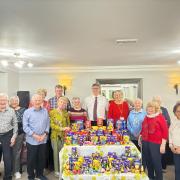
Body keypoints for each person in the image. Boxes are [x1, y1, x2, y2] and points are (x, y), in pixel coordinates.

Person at [139, 101, 168, 180]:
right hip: (145, 142)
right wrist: (140, 136)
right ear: (147, 108)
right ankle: (151, 177)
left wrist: (163, 144)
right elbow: (143, 128)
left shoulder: (160, 117)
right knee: (148, 162)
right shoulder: (146, 117)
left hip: (156, 144)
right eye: (149, 107)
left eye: (152, 107)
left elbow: (165, 131)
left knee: (157, 163)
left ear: (156, 109)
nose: (150, 109)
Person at [23, 94, 50, 180]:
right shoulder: (27, 112)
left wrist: (44, 135)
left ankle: (40, 174)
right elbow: (25, 127)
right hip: (32, 140)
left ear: (42, 101)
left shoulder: (45, 111)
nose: (37, 102)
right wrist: (34, 135)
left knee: (41, 158)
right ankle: (31, 175)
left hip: (43, 139)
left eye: (39, 100)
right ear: (32, 101)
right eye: (36, 100)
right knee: (31, 159)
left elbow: (47, 124)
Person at [49, 97, 70, 177]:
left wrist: (68, 128)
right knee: (56, 154)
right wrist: (61, 128)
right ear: (58, 102)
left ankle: (64, 169)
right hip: (55, 136)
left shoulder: (66, 113)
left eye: (65, 103)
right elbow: (52, 125)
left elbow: (68, 124)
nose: (63, 104)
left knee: (64, 153)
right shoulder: (52, 112)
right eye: (61, 102)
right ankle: (57, 171)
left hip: (64, 136)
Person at [0, 93, 18, 180]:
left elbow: (15, 124)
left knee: (7, 158)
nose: (2, 101)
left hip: (7, 135)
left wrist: (14, 137)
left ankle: (7, 176)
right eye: (0, 99)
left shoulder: (11, 110)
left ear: (7, 101)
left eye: (4, 100)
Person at [153, 96, 172, 171]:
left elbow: (168, 122)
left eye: (158, 101)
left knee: (162, 151)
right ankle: (155, 167)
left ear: (161, 102)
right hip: (153, 135)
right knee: (154, 151)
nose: (157, 102)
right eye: (155, 100)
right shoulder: (151, 109)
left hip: (162, 135)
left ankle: (163, 167)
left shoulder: (164, 110)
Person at [9, 96, 26, 179]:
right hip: (8, 134)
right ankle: (9, 169)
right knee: (8, 153)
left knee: (17, 153)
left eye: (16, 101)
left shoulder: (23, 110)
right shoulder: (8, 109)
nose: (14, 102)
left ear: (18, 101)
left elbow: (24, 123)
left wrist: (16, 133)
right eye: (12, 101)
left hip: (19, 134)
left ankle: (16, 171)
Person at [169, 102, 180, 180]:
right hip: (175, 149)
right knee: (177, 170)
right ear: (175, 112)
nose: (179, 113)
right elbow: (170, 134)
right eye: (177, 111)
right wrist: (171, 146)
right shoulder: (173, 121)